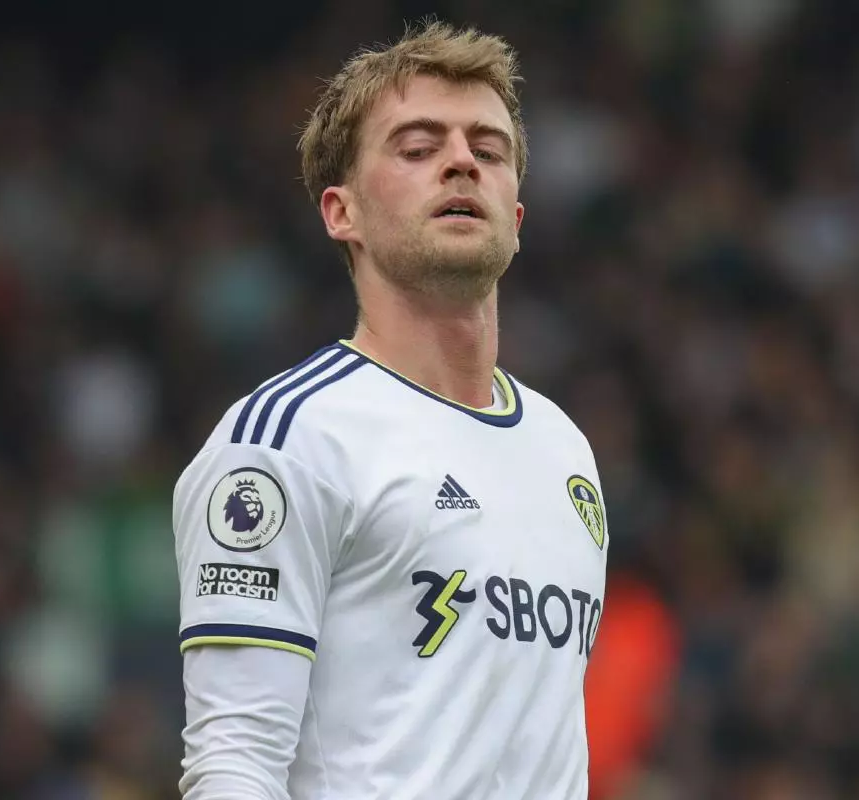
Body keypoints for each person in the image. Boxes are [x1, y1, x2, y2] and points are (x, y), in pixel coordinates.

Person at [172, 20, 609, 799]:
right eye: (417, 148)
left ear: (515, 219)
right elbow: (234, 762)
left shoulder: (564, 449)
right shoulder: (285, 443)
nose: (461, 162)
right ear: (342, 213)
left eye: (489, 148)